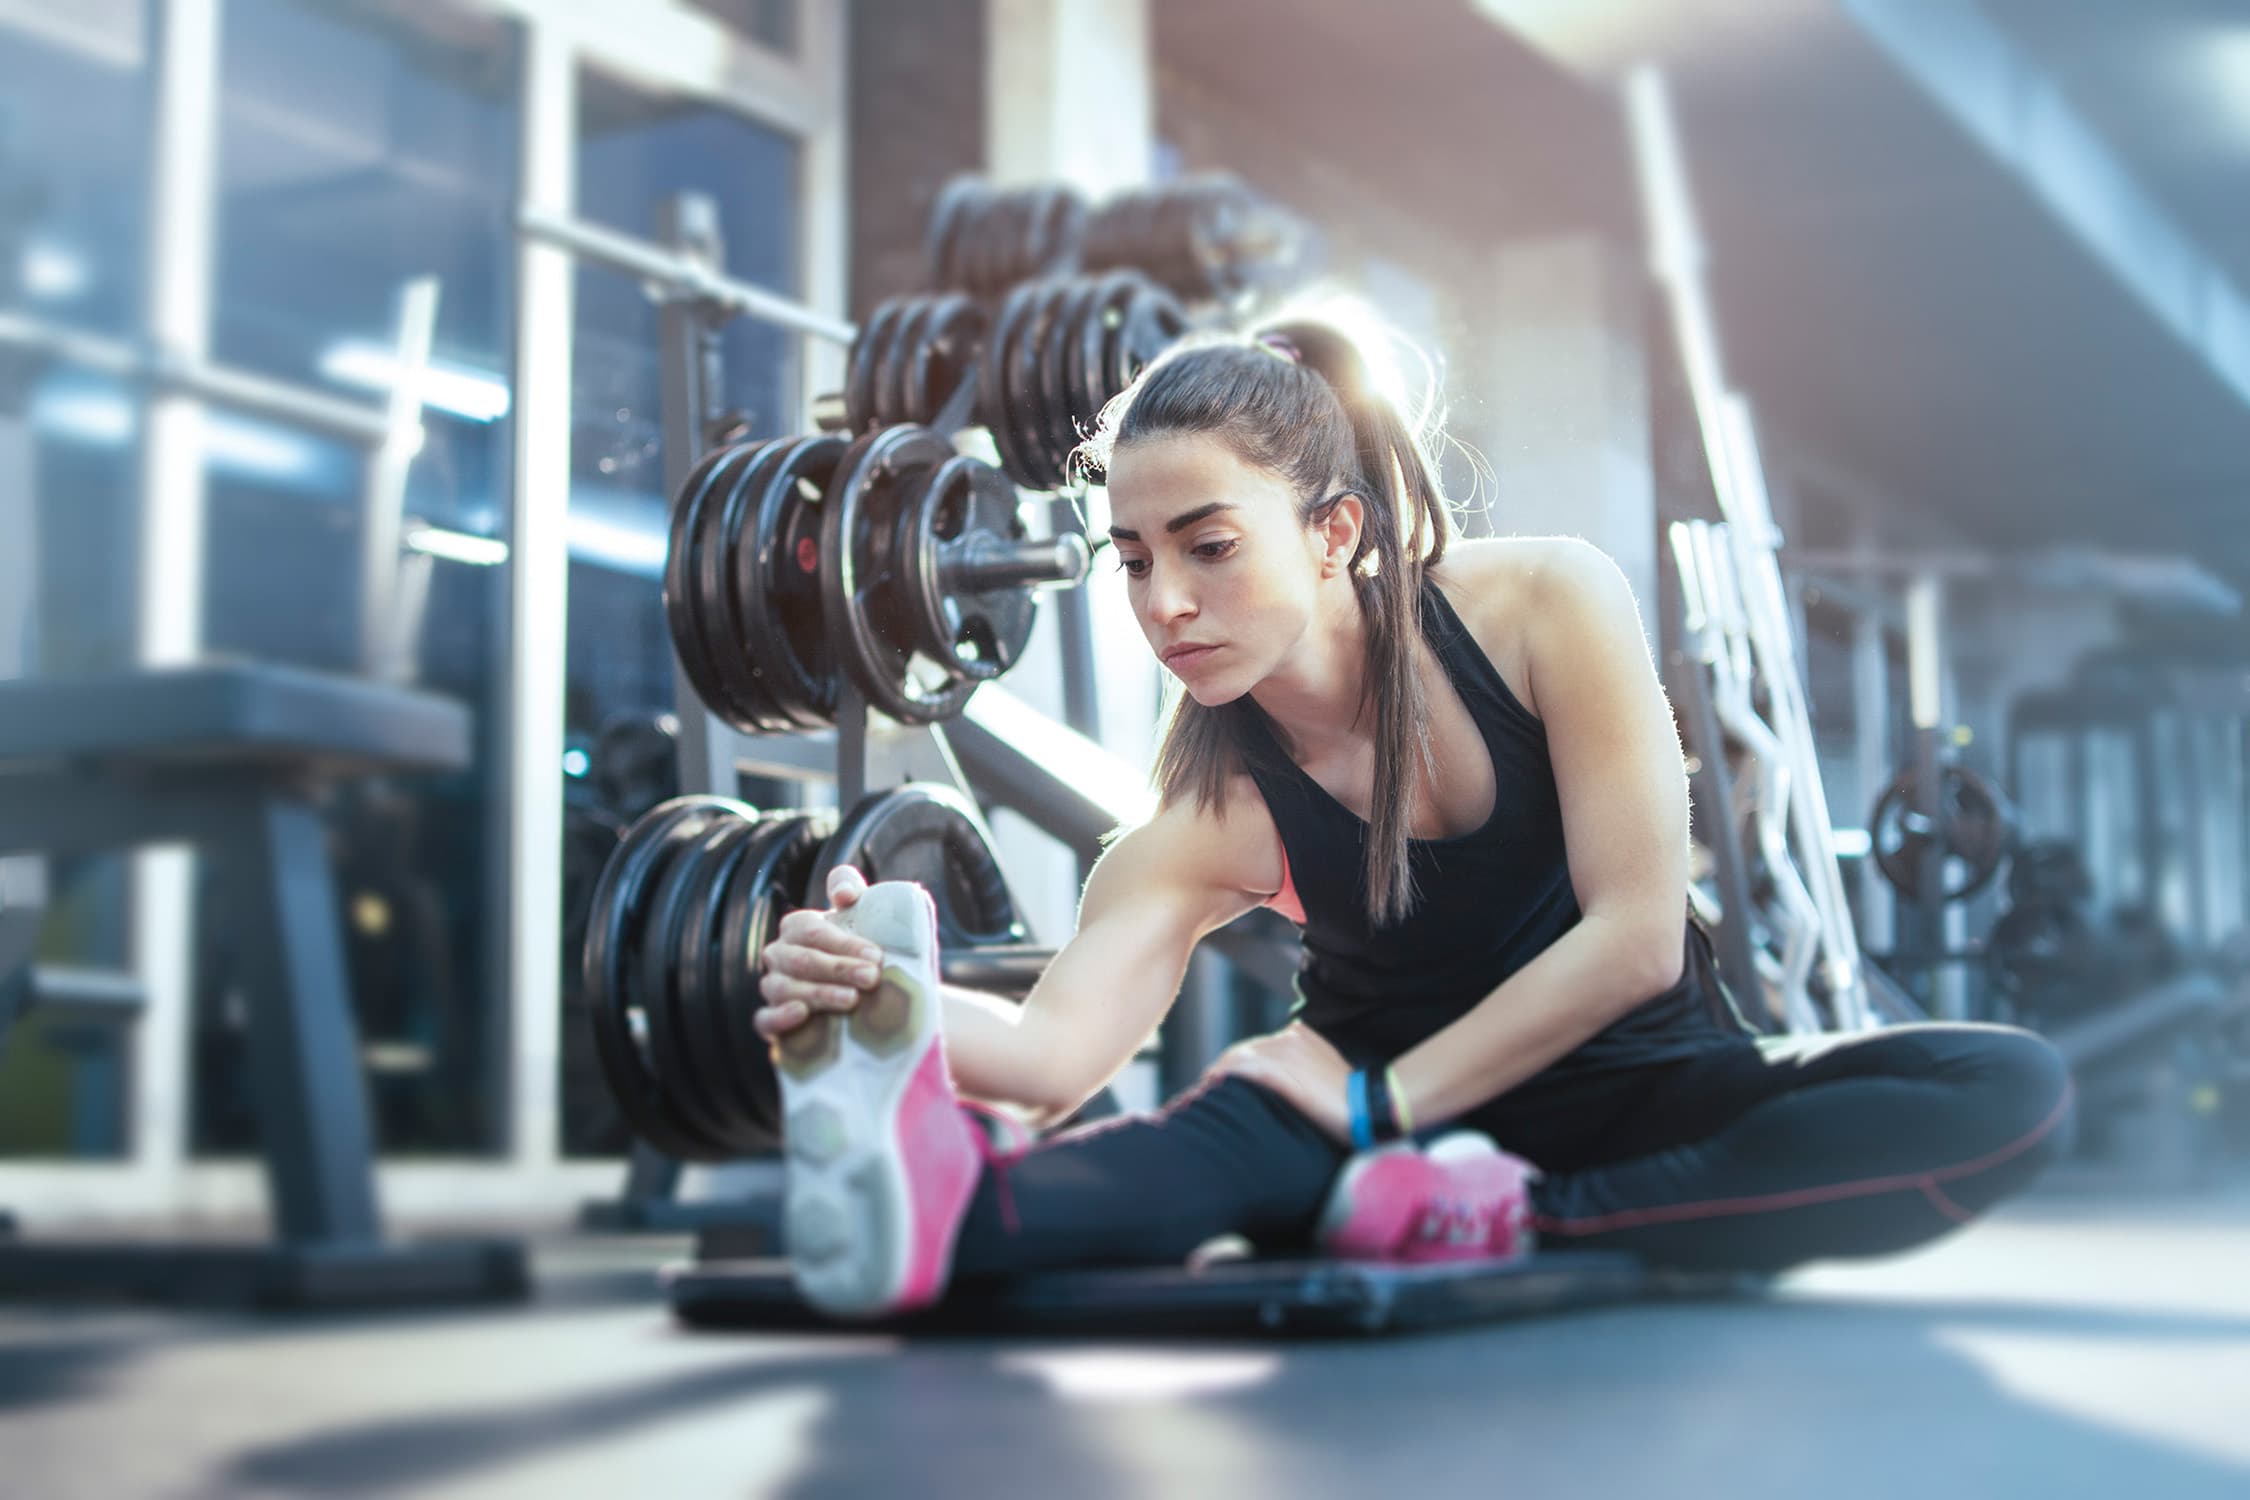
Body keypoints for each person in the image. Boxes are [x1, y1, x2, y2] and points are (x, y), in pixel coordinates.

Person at [754, 310, 2076, 1319]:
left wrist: (1389, 1116)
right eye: (1135, 559)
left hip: (1626, 1101)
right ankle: (952, 1192)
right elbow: (1053, 1055)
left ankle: (1519, 1221)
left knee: (2005, 1088)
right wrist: (888, 997)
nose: (1162, 604)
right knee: (1020, 1219)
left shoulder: (1547, 605)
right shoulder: (1204, 814)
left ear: (1330, 533)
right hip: (1351, 1125)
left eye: (1209, 548)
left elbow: (1634, 942)